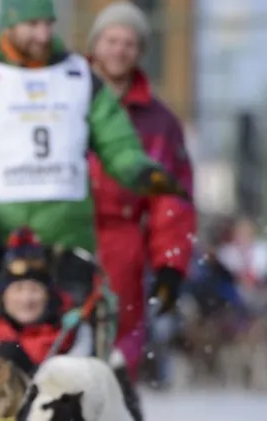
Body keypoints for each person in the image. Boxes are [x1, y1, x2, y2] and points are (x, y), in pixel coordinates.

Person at [0, 0, 184, 275]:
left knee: (86, 313)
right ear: (9, 25)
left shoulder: (80, 78)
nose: (43, 35)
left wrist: (141, 171)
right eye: (32, 25)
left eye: (48, 25)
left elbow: (117, 144)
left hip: (68, 243)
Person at [87, 2, 196, 379]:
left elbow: (172, 200)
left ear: (140, 51)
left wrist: (170, 264)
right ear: (95, 44)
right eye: (111, 39)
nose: (119, 49)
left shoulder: (160, 122)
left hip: (123, 243)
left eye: (129, 42)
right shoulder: (65, 99)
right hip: (65, 230)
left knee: (118, 349)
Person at [0, 228, 93, 375]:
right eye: (18, 289)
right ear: (3, 296)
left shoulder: (70, 333)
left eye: (34, 290)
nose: (26, 299)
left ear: (48, 295)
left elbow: (77, 376)